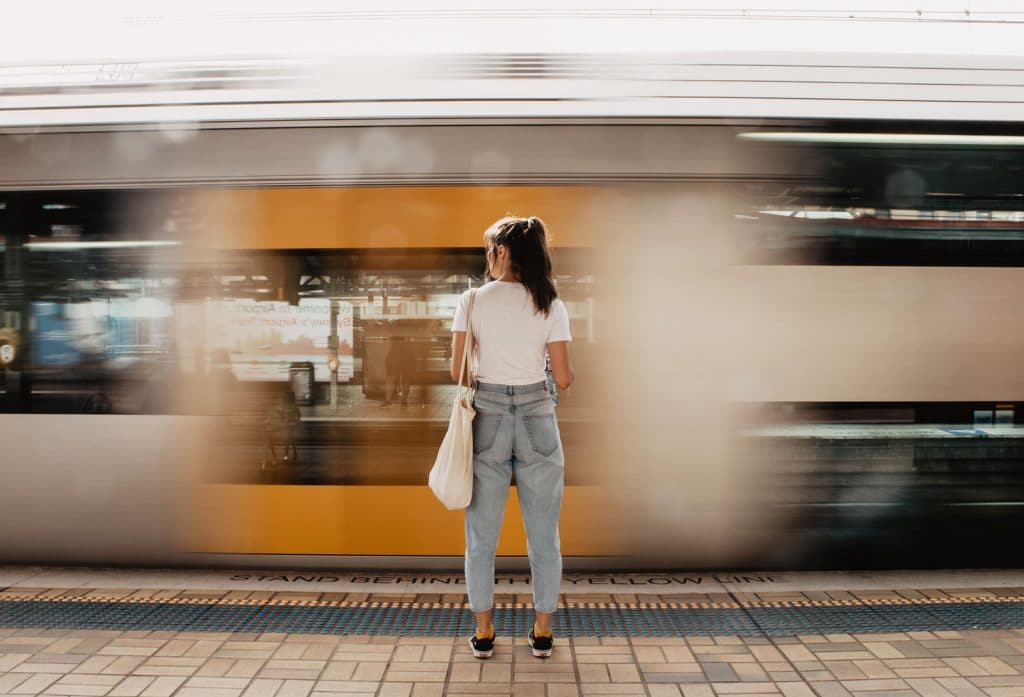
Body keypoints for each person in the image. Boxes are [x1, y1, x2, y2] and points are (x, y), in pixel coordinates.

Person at [450, 216, 574, 660]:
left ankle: (484, 633)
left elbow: (457, 372)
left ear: (502, 251)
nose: (487, 257)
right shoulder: (550, 303)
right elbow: (563, 378)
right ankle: (542, 632)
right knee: (544, 534)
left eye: (489, 249)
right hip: (538, 418)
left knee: (481, 536)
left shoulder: (470, 300)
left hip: (489, 419)